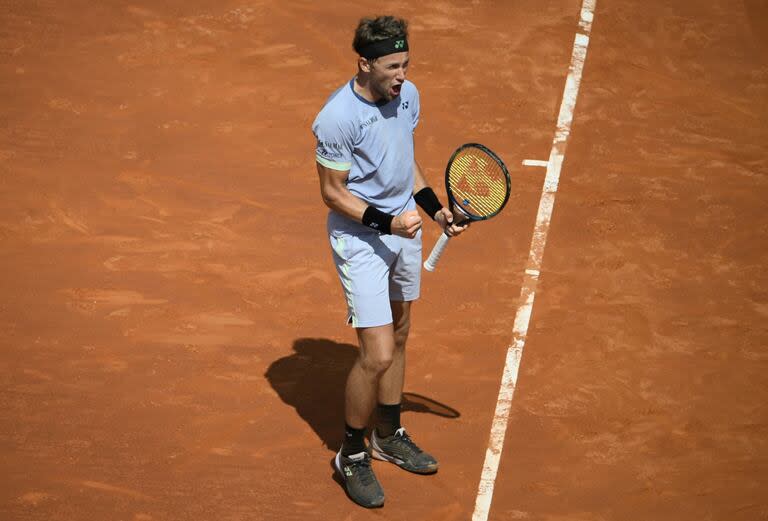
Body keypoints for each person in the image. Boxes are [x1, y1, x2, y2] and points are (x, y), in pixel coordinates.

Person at [312, 15, 468, 508]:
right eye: (393, 66)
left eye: (406, 64)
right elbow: (332, 194)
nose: (402, 75)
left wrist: (434, 208)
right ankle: (352, 455)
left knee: (400, 333)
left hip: (404, 227)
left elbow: (406, 158)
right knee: (377, 353)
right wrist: (388, 223)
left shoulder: (408, 96)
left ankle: (388, 431)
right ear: (365, 62)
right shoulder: (337, 117)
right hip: (362, 239)